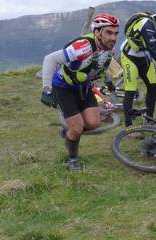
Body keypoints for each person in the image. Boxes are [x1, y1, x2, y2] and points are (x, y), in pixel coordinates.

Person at [40, 13, 120, 171]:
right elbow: (50, 59)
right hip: (63, 88)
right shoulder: (83, 47)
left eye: (116, 33)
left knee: (93, 123)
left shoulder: (109, 49)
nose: (113, 37)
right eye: (109, 33)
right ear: (97, 32)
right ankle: (72, 159)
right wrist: (47, 89)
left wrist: (108, 81)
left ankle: (69, 133)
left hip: (84, 87)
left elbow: (101, 67)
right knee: (77, 128)